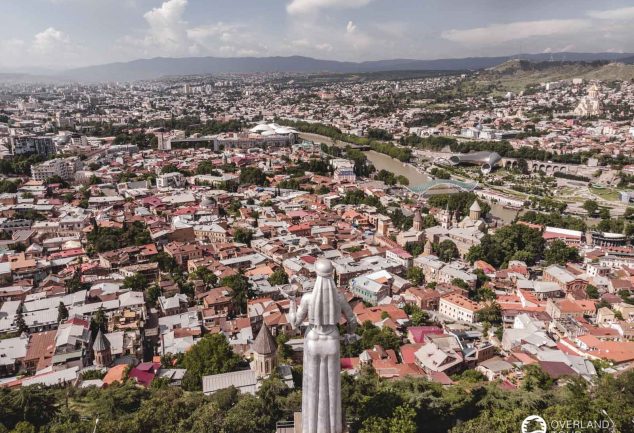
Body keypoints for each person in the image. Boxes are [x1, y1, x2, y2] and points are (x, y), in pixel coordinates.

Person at [288, 258, 356, 433]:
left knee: (312, 385)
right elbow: (352, 320)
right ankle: (332, 428)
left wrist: (291, 301)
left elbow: (294, 323)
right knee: (332, 386)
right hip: (332, 339)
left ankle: (310, 428)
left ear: (317, 275)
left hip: (313, 339)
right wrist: (350, 335)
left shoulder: (308, 298)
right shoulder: (339, 298)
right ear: (331, 275)